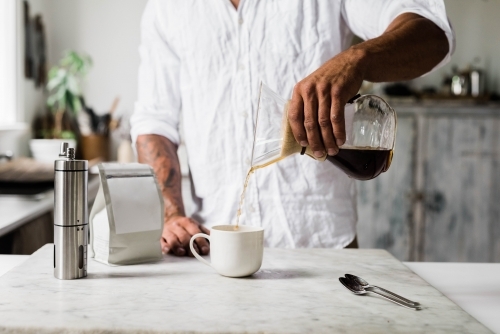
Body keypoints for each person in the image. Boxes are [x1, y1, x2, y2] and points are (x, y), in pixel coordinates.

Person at [131, 0, 455, 256]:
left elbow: (432, 33)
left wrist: (358, 59)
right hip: (213, 247)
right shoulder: (167, 8)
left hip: (322, 248)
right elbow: (154, 121)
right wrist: (172, 214)